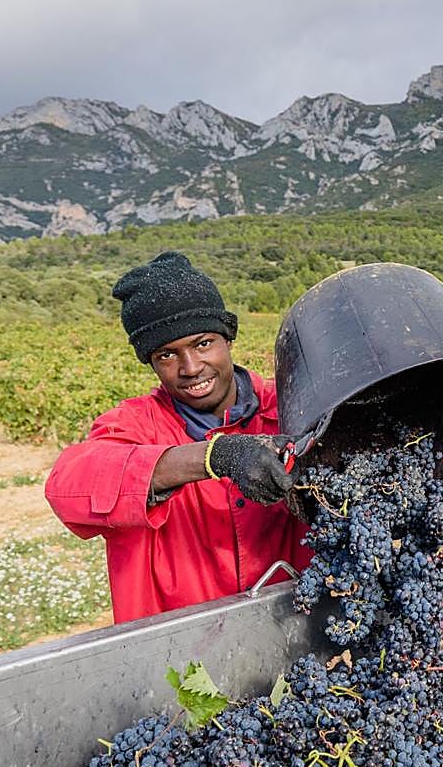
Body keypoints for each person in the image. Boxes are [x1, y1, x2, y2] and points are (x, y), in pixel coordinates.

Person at [44, 252, 312, 623]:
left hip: (297, 627)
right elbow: (68, 485)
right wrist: (214, 457)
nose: (190, 367)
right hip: (183, 648)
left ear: (228, 339)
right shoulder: (137, 425)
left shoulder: (293, 406)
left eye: (203, 344)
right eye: (167, 355)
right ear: (151, 363)